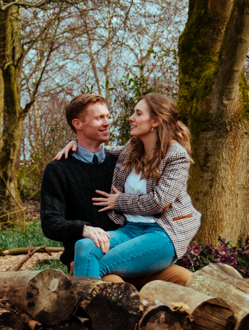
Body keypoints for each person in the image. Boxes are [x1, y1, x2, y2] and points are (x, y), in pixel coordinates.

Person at [67, 93, 201, 279]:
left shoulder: (176, 156)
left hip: (163, 232)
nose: (131, 118)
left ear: (155, 121)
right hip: (130, 229)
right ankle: (84, 303)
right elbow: (102, 150)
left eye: (138, 113)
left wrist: (119, 201)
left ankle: (82, 307)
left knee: (97, 262)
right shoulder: (133, 148)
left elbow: (158, 202)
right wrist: (75, 142)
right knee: (83, 245)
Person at [39, 94, 120, 273]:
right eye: (99, 117)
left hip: (129, 254)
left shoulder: (119, 163)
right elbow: (50, 223)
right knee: (118, 293)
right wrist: (84, 229)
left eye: (107, 116)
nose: (107, 122)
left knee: (185, 281)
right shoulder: (58, 169)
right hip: (87, 261)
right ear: (78, 124)